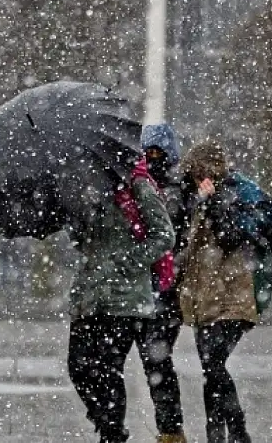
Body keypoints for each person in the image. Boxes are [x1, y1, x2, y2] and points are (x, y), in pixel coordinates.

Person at [176, 140, 272, 443]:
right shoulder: (194, 198)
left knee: (214, 364)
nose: (194, 180)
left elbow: (231, 237)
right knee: (210, 369)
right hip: (204, 296)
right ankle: (217, 435)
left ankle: (237, 432)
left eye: (197, 173)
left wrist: (213, 204)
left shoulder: (236, 194)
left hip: (236, 295)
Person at [66, 146, 176, 443]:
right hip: (89, 294)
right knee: (78, 367)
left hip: (124, 298)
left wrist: (130, 262)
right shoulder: (86, 188)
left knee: (108, 369)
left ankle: (112, 433)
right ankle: (109, 426)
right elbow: (82, 241)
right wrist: (78, 218)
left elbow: (164, 235)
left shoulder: (137, 185)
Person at [138, 124, 187, 443]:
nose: (153, 158)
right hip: (146, 286)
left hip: (165, 287)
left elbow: (174, 236)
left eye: (158, 152)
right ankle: (169, 428)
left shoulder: (178, 190)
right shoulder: (142, 186)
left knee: (156, 359)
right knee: (154, 359)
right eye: (148, 152)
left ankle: (170, 429)